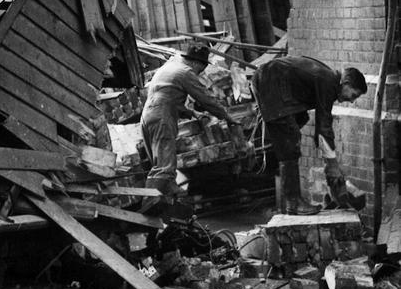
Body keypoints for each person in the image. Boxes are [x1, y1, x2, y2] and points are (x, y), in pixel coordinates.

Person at [251, 55, 367, 215]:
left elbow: (322, 125)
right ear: (346, 84)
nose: (352, 101)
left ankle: (290, 198)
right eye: (353, 95)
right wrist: (332, 165)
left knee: (299, 121)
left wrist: (329, 162)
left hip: (273, 83)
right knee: (290, 141)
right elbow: (324, 123)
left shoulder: (330, 79)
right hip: (270, 83)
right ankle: (293, 202)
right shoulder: (328, 82)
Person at [140, 43, 243, 198]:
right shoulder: (185, 72)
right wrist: (227, 116)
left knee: (158, 165)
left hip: (148, 116)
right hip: (161, 117)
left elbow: (168, 98)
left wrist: (192, 113)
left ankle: (158, 200)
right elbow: (205, 98)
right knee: (164, 167)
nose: (200, 72)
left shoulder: (168, 68)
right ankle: (154, 204)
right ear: (195, 62)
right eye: (201, 69)